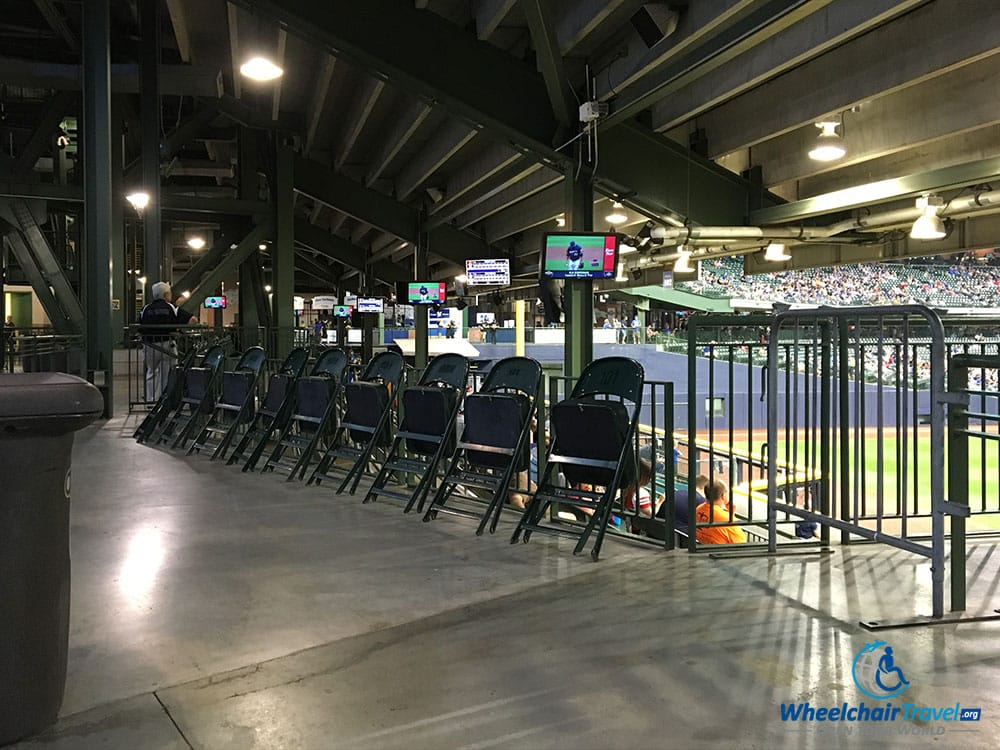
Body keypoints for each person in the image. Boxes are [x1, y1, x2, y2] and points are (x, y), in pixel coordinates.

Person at [137, 282, 198, 402]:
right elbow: (193, 319)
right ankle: (164, 400)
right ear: (166, 295)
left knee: (151, 372)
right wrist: (181, 331)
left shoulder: (145, 309)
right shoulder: (171, 308)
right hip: (167, 344)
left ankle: (151, 400)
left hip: (150, 345)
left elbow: (138, 326)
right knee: (167, 373)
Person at [694, 479, 746, 544]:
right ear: (723, 495)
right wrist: (730, 516)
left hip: (702, 547)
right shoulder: (725, 518)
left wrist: (729, 514)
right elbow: (741, 541)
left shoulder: (698, 509)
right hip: (721, 551)